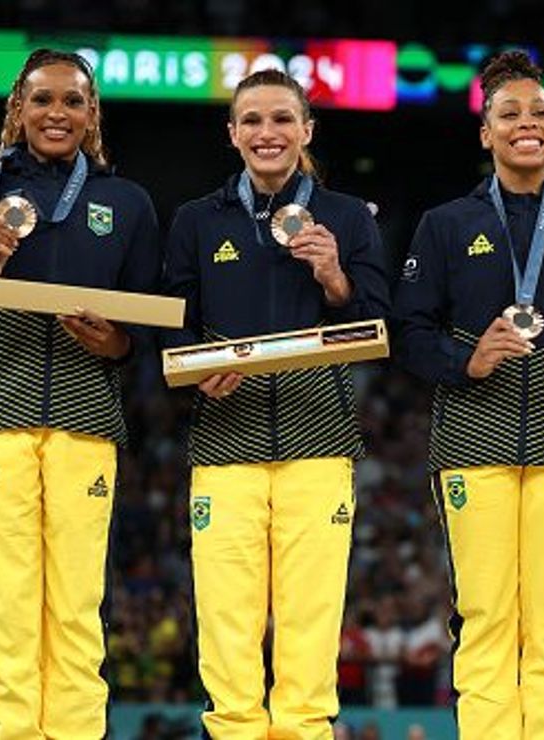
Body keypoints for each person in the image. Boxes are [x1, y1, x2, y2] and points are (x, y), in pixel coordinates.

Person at [392, 49, 544, 739]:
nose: (527, 123)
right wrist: (465, 359)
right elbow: (408, 333)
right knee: (488, 617)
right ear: (485, 132)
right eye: (509, 113)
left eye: (540, 112)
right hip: (474, 445)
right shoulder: (445, 225)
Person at [0, 48, 161, 738]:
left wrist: (116, 344)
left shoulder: (126, 204)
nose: (56, 114)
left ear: (92, 114)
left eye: (71, 101)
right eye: (41, 100)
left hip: (87, 426)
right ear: (18, 109)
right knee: (4, 607)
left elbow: (147, 329)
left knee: (75, 607)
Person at [161, 68, 389, 738]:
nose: (268, 133)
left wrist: (334, 276)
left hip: (319, 444)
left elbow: (381, 323)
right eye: (253, 121)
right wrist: (196, 369)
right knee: (227, 630)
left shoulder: (346, 217)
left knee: (310, 629)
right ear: (232, 134)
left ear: (307, 130)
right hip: (224, 447)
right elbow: (174, 325)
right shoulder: (196, 221)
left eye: (282, 119)